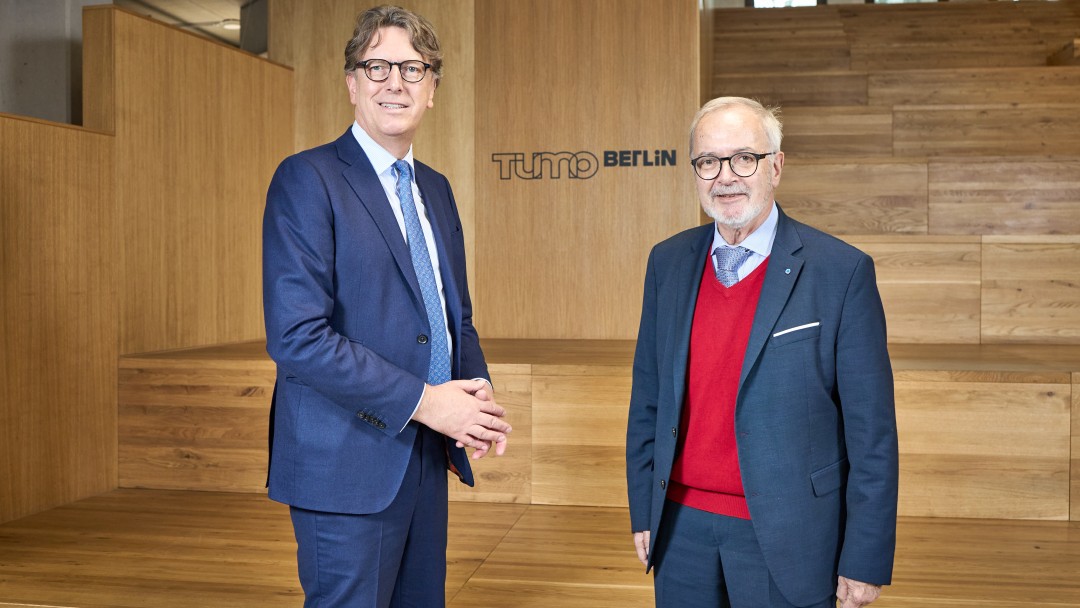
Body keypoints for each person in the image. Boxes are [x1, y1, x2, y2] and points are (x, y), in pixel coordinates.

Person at [261, 6, 511, 606]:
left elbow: (453, 315)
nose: (394, 82)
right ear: (352, 84)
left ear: (431, 90)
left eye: (411, 69)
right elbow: (298, 337)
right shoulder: (307, 178)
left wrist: (474, 397)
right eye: (377, 66)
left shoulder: (436, 188)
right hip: (346, 463)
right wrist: (428, 402)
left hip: (424, 456)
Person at [625, 96, 898, 608]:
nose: (725, 176)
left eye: (743, 158)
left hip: (790, 536)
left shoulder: (841, 272)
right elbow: (648, 400)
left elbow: (872, 434)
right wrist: (645, 510)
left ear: (776, 166)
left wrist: (864, 558)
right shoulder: (668, 262)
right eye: (708, 161)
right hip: (680, 531)